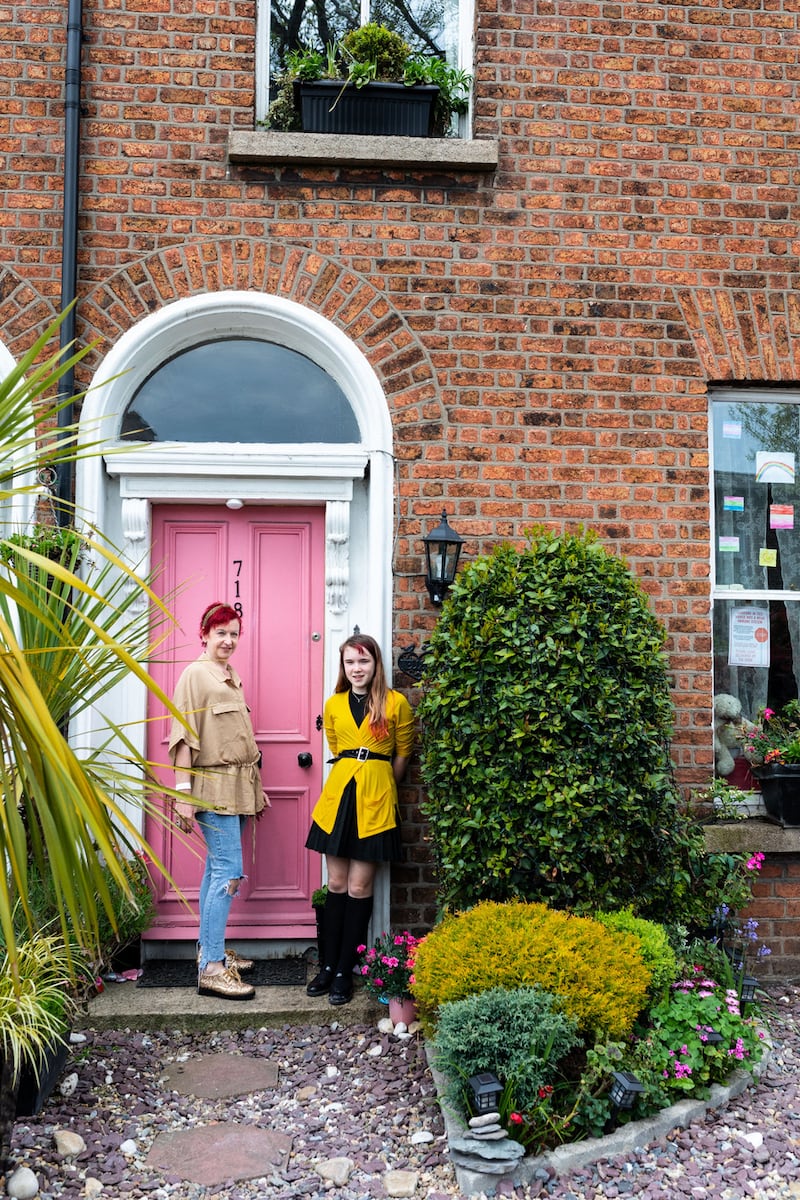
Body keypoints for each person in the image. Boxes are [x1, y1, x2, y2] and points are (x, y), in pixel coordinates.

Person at [305, 633, 415, 1006]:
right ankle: (327, 965)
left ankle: (344, 970)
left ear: (375, 664)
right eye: (350, 662)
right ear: (344, 666)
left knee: (358, 887)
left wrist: (382, 782)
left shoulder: (396, 703)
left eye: (363, 661)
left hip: (376, 799)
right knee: (335, 884)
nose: (357, 669)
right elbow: (336, 747)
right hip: (337, 800)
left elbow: (402, 753)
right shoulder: (333, 704)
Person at [169, 601, 269, 1001]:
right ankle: (211, 969)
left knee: (215, 870)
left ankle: (209, 950)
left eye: (234, 633)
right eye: (220, 633)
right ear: (205, 634)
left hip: (239, 786)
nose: (228, 640)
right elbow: (184, 735)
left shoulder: (229, 674)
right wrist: (183, 795)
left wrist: (255, 790)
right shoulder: (195, 675)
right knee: (229, 872)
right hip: (213, 788)